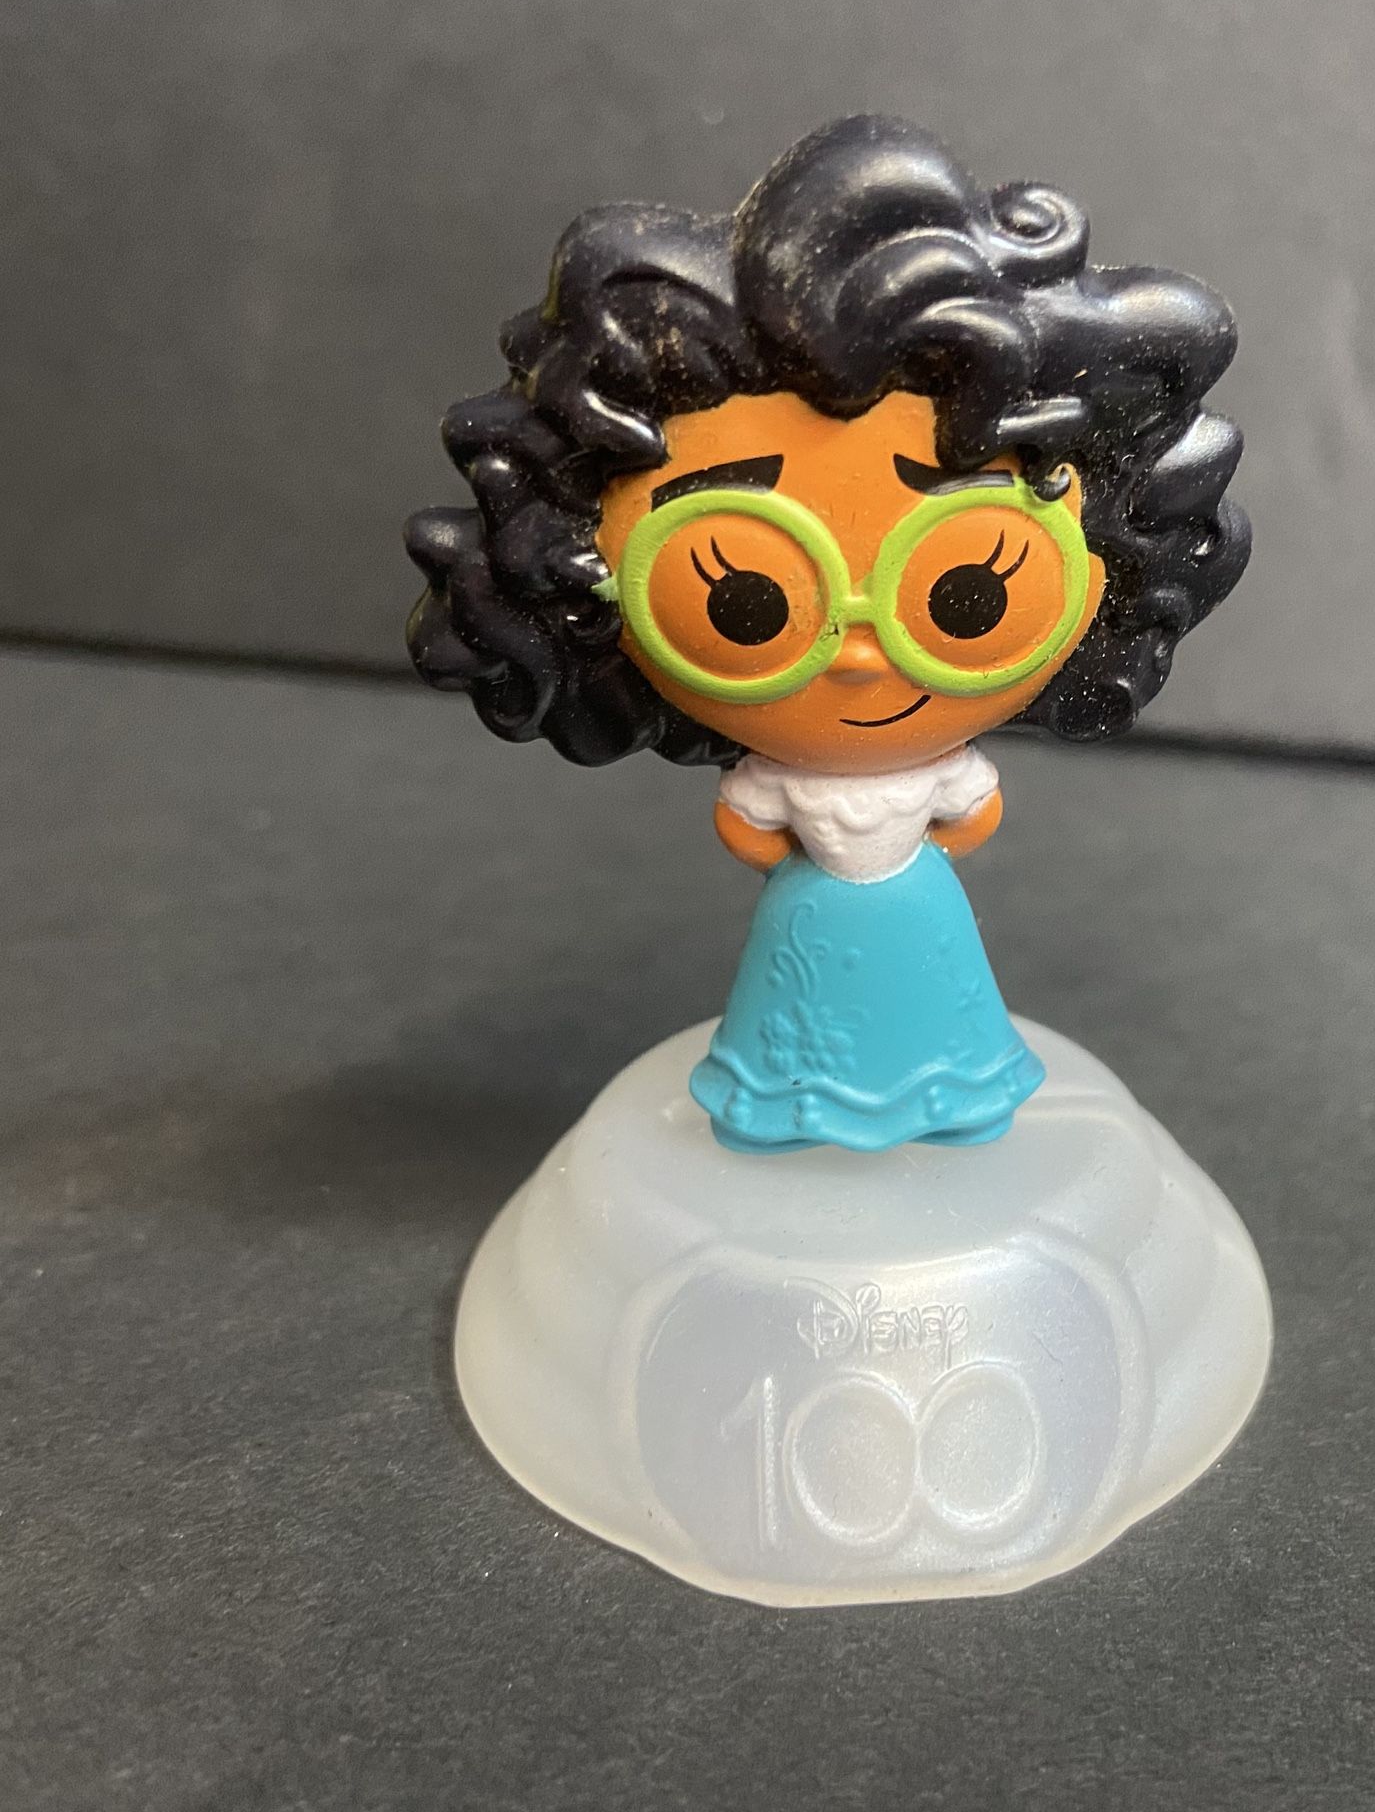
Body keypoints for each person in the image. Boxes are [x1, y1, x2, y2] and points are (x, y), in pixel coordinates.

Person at [405, 115, 1249, 1152]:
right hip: (822, 920)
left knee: (938, 1014)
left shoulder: (921, 755)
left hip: (891, 912)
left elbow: (813, 830)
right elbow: (886, 823)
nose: (857, 653)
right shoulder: (776, 755)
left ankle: (949, 1098)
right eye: (743, 595)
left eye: (967, 592)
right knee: (797, 1021)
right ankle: (788, 1105)